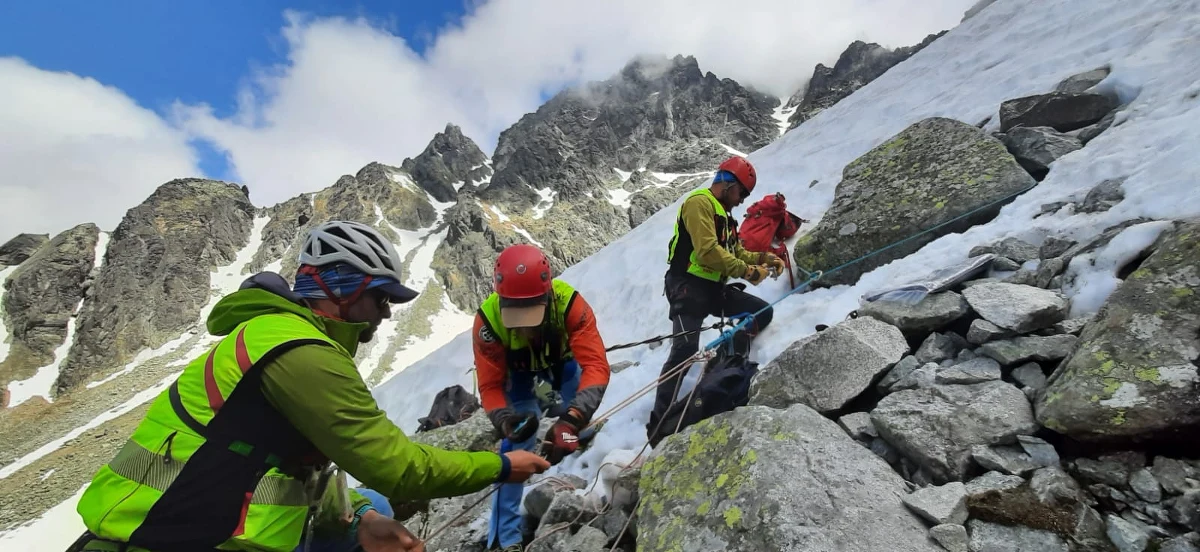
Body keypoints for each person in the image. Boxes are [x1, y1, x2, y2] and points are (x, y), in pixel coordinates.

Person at [69, 220, 550, 552]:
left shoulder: (281, 337)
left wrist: (361, 517)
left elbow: (300, 466)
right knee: (385, 498)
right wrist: (502, 464)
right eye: (381, 298)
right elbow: (399, 468)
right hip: (175, 535)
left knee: (375, 506)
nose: (386, 313)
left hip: (198, 516)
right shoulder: (299, 352)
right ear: (342, 288)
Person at [472, 244, 611, 552]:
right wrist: (505, 421)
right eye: (516, 316)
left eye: (532, 315)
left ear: (548, 296)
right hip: (518, 378)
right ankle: (505, 537)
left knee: (574, 417)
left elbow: (597, 366)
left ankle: (575, 440)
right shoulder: (488, 323)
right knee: (520, 441)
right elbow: (491, 386)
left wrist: (572, 421)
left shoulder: (570, 305)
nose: (524, 326)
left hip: (563, 364)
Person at [647, 156, 784, 440]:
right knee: (684, 351)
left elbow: (736, 252)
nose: (742, 200)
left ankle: (721, 363)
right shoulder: (700, 203)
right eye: (742, 193)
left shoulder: (724, 215)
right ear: (728, 185)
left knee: (761, 312)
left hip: (712, 289)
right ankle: (659, 425)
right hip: (687, 285)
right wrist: (748, 271)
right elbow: (708, 252)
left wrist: (765, 258)